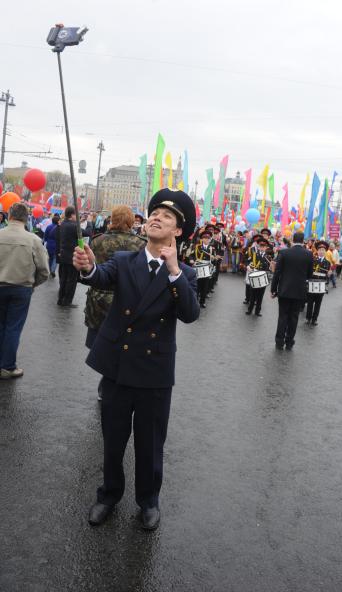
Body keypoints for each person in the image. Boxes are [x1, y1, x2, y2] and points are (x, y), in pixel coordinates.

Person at [73, 189, 199, 529]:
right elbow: (100, 276)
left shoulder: (184, 274)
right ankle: (108, 495)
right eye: (155, 212)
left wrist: (173, 270)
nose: (157, 217)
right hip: (117, 365)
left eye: (167, 217)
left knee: (150, 443)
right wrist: (87, 268)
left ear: (178, 232)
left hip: (154, 372)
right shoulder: (127, 260)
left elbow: (189, 313)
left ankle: (149, 501)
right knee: (113, 439)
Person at [83, 205, 145, 400]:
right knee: (123, 343)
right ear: (130, 221)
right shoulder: (140, 244)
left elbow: (88, 269)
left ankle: (107, 379)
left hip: (99, 298)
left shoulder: (97, 241)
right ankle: (112, 380)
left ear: (112, 219)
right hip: (126, 300)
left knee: (100, 341)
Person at [0, 203, 49, 378]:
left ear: (9, 215)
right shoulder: (33, 240)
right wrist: (33, 284)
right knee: (13, 327)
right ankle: (7, 366)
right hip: (21, 287)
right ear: (26, 217)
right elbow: (44, 269)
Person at [271, 232, 313, 350]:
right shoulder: (309, 254)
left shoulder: (284, 252)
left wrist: (273, 289)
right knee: (294, 317)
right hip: (299, 291)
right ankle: (289, 341)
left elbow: (277, 272)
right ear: (303, 240)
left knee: (282, 316)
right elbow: (309, 275)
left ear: (293, 240)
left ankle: (279, 341)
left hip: (284, 290)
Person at [56, 206, 89, 307]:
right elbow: (87, 233)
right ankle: (67, 301)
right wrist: (90, 223)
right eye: (77, 215)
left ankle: (60, 299)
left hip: (64, 256)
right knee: (72, 280)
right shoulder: (73, 226)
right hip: (72, 258)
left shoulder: (63, 224)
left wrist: (79, 221)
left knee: (63, 279)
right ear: (72, 215)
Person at [305, 240, 330, 326]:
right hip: (312, 283)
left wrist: (328, 276)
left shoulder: (328, 263)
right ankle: (308, 318)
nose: (321, 252)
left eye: (323, 250)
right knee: (310, 302)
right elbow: (308, 271)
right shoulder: (313, 260)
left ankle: (314, 319)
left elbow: (327, 276)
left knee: (318, 304)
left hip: (321, 285)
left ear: (325, 251)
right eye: (320, 250)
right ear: (317, 251)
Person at [245, 237, 271, 316]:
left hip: (263, 276)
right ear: (258, 247)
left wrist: (271, 268)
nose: (262, 248)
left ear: (266, 248)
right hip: (255, 274)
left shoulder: (268, 257)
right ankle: (250, 310)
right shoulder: (254, 255)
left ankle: (257, 311)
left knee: (260, 296)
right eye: (261, 246)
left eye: (264, 247)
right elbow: (248, 261)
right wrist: (248, 266)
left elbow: (270, 268)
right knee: (253, 294)